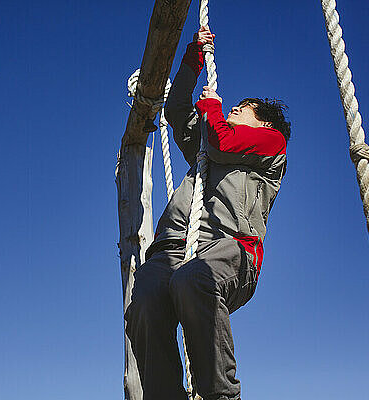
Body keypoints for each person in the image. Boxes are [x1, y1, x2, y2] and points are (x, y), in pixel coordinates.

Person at [124, 26, 291, 400]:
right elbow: (177, 107)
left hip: (228, 249)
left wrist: (213, 108)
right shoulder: (206, 141)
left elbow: (223, 142)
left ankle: (219, 395)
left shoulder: (271, 144)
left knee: (193, 279)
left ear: (263, 123)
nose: (233, 108)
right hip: (173, 248)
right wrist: (194, 57)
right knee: (145, 301)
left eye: (242, 109)